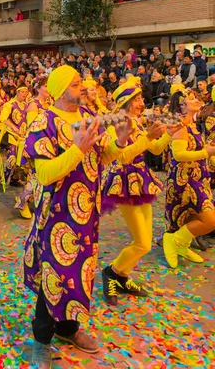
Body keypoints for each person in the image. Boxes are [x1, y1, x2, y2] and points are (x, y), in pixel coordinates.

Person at [23, 65, 133, 367]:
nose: (82, 86)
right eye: (74, 83)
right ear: (59, 89)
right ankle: (42, 339)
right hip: (56, 215)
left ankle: (68, 329)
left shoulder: (88, 114)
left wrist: (120, 140)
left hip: (86, 214)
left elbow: (103, 155)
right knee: (53, 276)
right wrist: (76, 150)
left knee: (79, 273)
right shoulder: (42, 122)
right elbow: (44, 174)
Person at [101, 77, 180, 306]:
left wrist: (167, 134)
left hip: (141, 180)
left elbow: (153, 147)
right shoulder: (118, 122)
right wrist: (148, 137)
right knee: (143, 243)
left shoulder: (135, 120)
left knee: (142, 241)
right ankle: (111, 272)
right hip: (125, 182)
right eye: (136, 99)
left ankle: (123, 277)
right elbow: (122, 156)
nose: (141, 103)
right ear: (125, 101)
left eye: (140, 99)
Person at [163, 88, 215, 268]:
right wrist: (205, 152)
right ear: (183, 106)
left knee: (191, 217)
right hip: (185, 181)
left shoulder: (191, 124)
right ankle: (172, 240)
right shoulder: (180, 125)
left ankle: (182, 245)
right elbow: (179, 155)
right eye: (193, 99)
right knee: (210, 220)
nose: (198, 100)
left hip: (197, 179)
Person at [15, 76, 50, 219]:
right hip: (36, 145)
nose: (49, 89)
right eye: (46, 86)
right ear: (37, 88)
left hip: (48, 144)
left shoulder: (49, 103)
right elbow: (32, 128)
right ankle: (22, 202)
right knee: (35, 177)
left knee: (44, 177)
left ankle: (38, 203)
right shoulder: (33, 104)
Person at [0, 86, 29, 186]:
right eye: (22, 92)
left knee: (20, 159)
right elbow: (3, 118)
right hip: (12, 135)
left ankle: (14, 179)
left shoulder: (27, 105)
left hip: (23, 136)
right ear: (17, 92)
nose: (24, 94)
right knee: (12, 157)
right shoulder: (10, 104)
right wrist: (14, 127)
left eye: (26, 92)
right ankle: (3, 178)